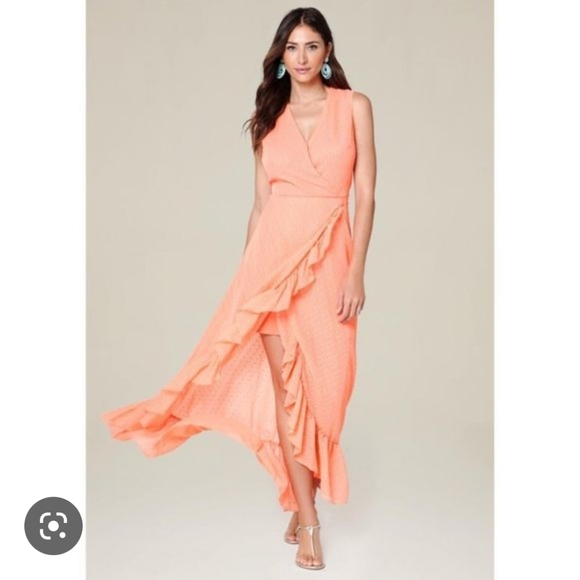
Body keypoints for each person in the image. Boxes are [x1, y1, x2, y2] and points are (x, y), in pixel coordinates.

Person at [101, 6, 376, 572]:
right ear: (280, 56)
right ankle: (308, 520)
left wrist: (356, 272)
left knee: (327, 392)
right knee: (286, 393)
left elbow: (366, 195)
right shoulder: (268, 118)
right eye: (292, 48)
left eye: (312, 46)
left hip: (330, 262)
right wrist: (247, 279)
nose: (301, 57)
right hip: (270, 268)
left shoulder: (355, 107)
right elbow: (260, 205)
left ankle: (301, 493)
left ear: (328, 52)